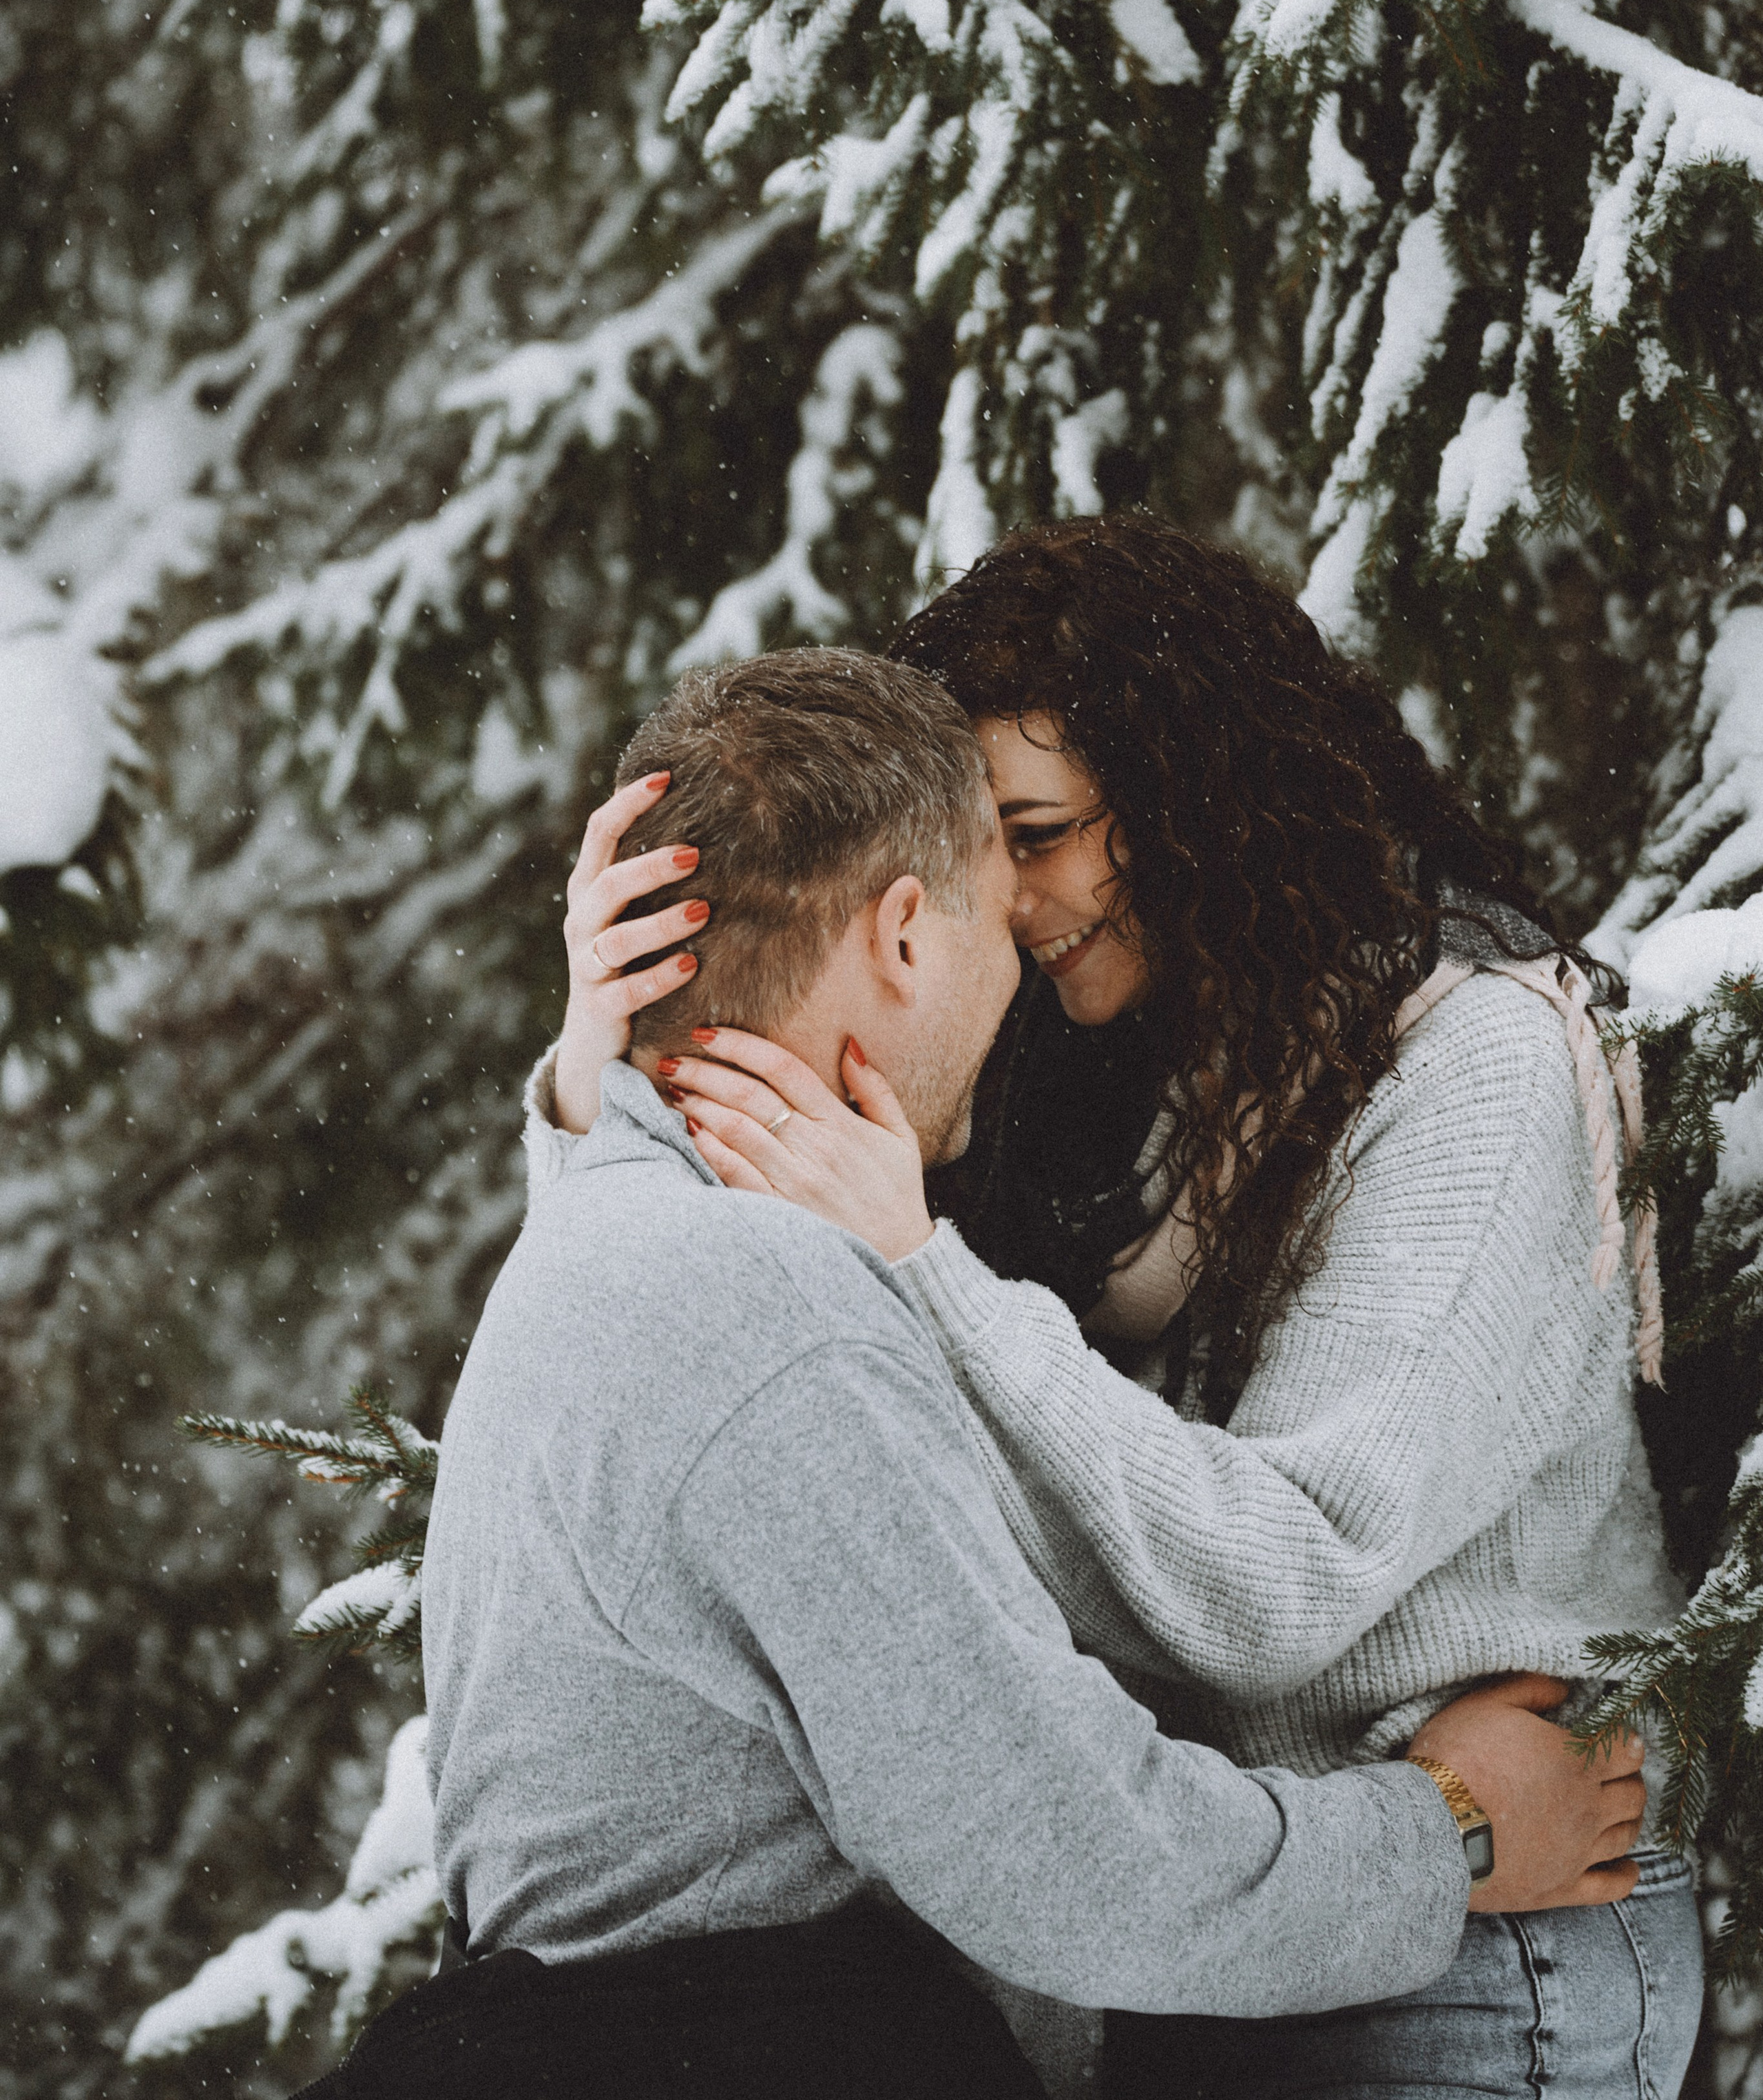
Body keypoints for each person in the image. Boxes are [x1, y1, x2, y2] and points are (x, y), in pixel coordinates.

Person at [316, 647, 1647, 2100]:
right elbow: (1074, 1864)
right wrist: (1445, 1831)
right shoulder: (763, 1304)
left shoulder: (608, 1245)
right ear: (900, 937)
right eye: (988, 915)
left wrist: (603, 1070)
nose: (1017, 970)